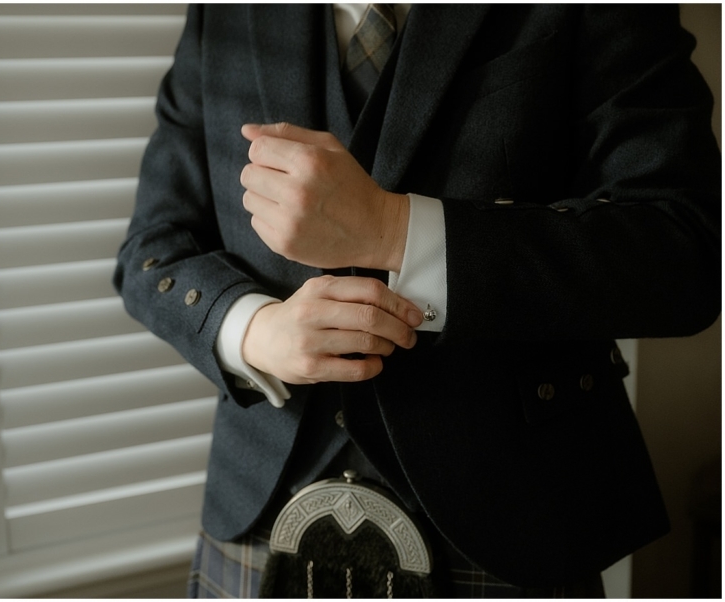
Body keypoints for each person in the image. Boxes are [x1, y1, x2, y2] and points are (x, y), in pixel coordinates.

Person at [115, 4, 719, 598]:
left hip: (512, 522)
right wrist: (251, 330)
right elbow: (152, 246)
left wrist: (392, 228)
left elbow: (684, 250)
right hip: (258, 517)